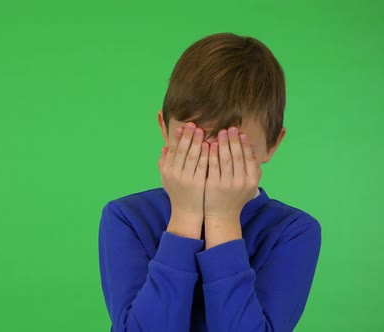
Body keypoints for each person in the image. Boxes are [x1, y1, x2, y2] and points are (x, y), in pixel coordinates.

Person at [98, 32, 322, 332]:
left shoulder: (293, 232)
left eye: (232, 146)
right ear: (165, 128)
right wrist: (185, 217)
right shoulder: (126, 218)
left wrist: (223, 220)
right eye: (195, 140)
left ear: (272, 144)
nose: (211, 160)